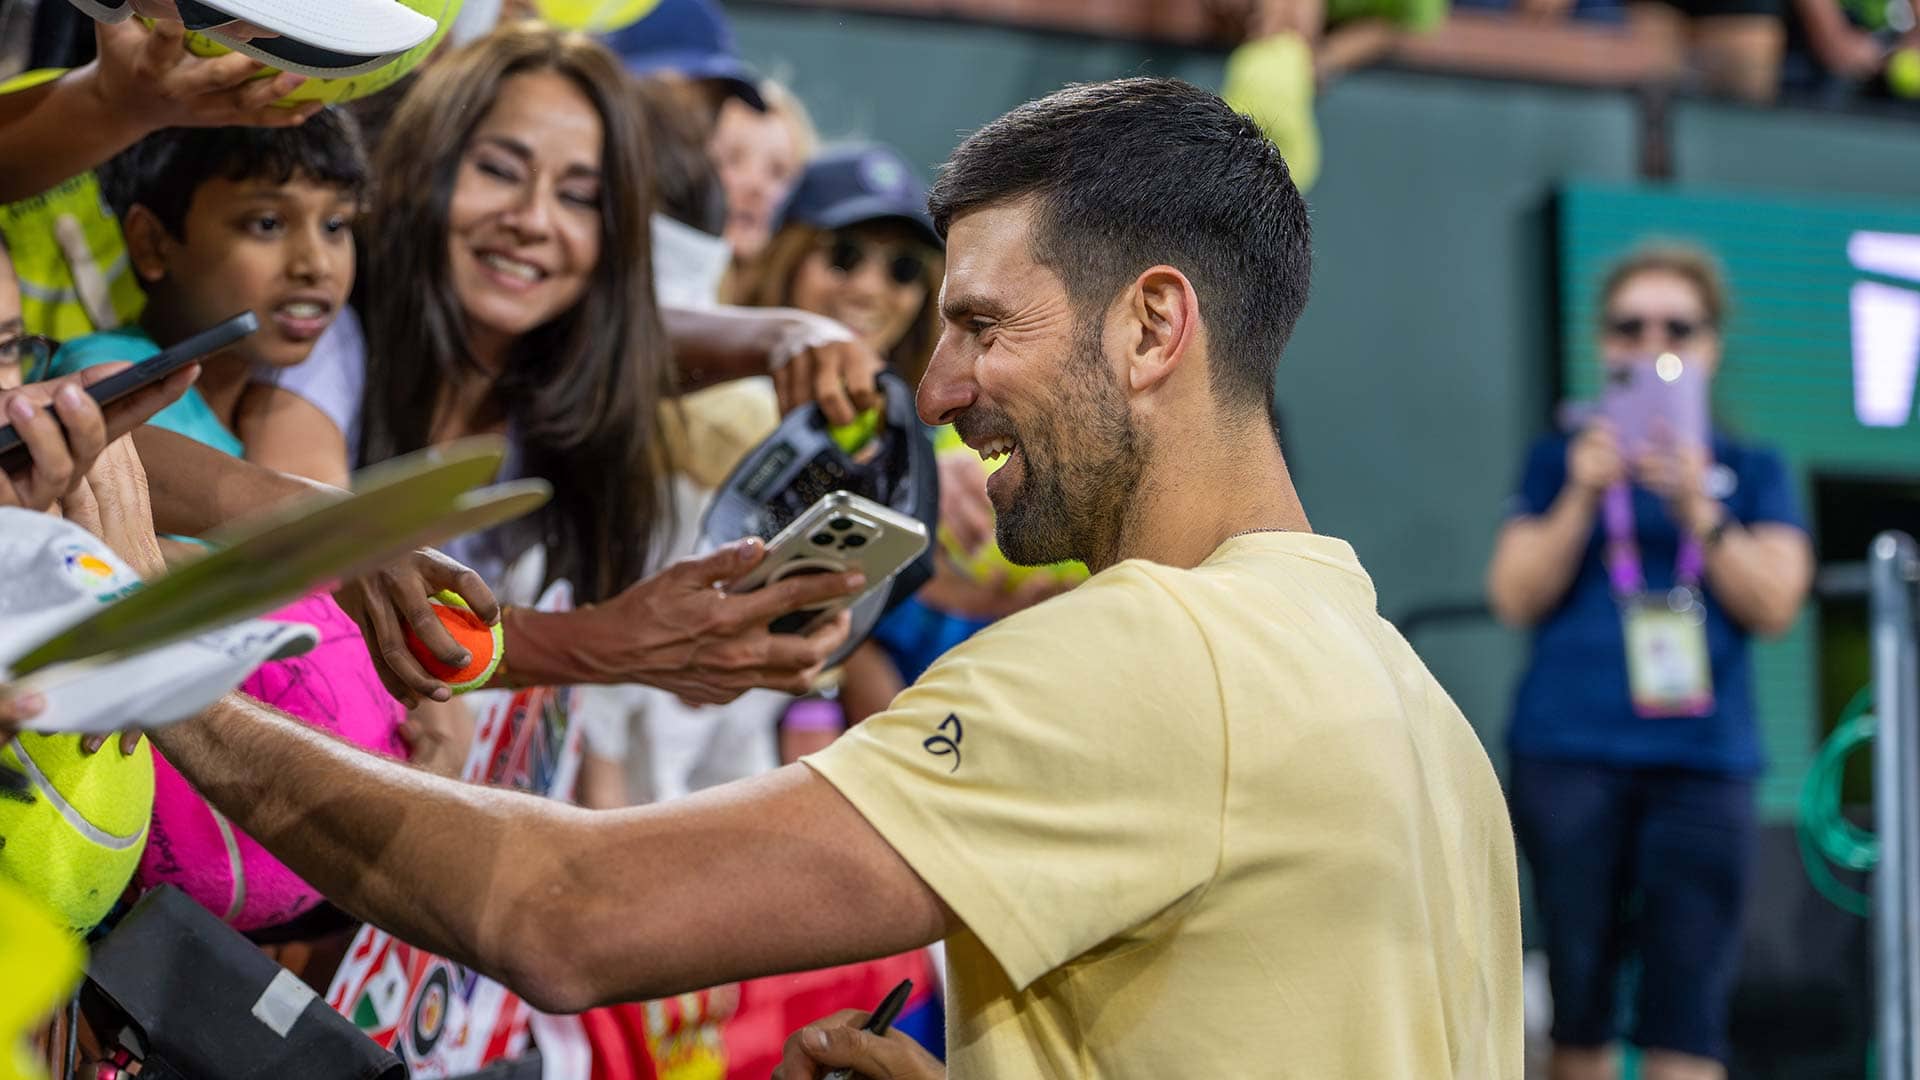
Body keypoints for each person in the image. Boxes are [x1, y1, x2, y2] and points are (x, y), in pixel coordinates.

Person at [139, 76, 1523, 1078]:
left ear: (1153, 323)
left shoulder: (1153, 655)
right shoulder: (1423, 717)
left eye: (981, 325)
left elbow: (560, 915)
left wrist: (154, 675)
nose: (940, 386)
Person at [226, 23, 868, 707]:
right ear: (425, 168)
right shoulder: (326, 345)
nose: (532, 219)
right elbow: (313, 580)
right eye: (499, 171)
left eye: (579, 198)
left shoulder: (561, 380)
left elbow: (634, 336)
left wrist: (788, 334)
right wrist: (609, 642)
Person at [1485, 243, 1814, 1080]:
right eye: (1630, 326)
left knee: (1689, 1007)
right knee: (1580, 996)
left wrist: (1698, 508)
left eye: (1678, 326)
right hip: (1571, 754)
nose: (1652, 343)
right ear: (1603, 343)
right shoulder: (1560, 460)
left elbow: (1776, 602)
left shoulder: (1753, 468)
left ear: (1712, 345)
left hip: (1703, 763)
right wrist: (1584, 495)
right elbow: (1512, 594)